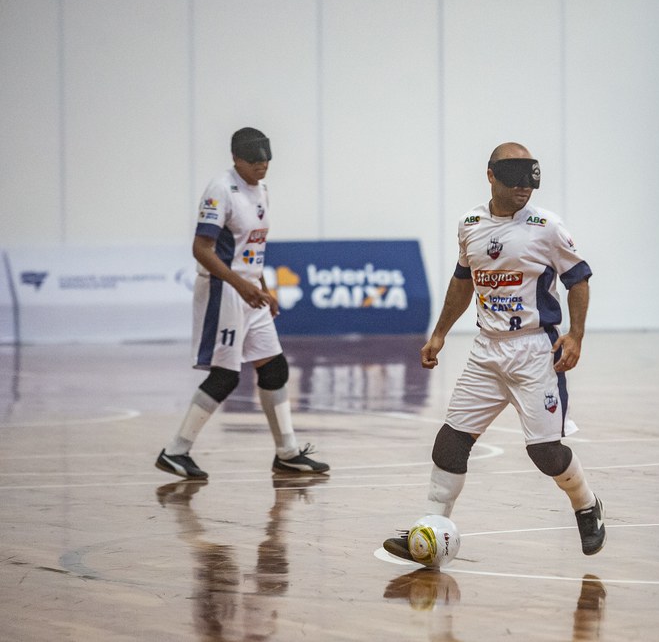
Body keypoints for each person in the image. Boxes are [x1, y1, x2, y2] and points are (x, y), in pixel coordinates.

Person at [383, 142, 605, 558]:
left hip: (536, 352)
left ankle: (586, 505)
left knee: (545, 453)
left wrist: (576, 334)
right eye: (514, 180)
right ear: (490, 176)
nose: (524, 188)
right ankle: (429, 530)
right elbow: (462, 281)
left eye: (530, 180)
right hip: (486, 350)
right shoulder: (470, 224)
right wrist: (439, 333)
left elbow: (579, 278)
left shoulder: (547, 226)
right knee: (450, 441)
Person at [155, 127, 329, 479]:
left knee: (275, 368)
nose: (262, 165)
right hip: (224, 291)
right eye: (254, 160)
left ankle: (287, 453)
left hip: (249, 292)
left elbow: (253, 249)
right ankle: (176, 451)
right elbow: (201, 249)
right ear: (236, 159)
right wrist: (241, 285)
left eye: (266, 159)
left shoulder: (262, 189)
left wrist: (263, 289)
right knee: (225, 376)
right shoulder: (221, 189)